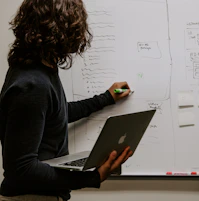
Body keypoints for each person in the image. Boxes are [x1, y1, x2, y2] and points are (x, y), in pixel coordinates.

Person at [0, 0, 133, 200]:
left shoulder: (41, 70)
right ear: (63, 31)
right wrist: (93, 178)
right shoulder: (32, 85)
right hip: (31, 197)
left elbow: (57, 114)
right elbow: (21, 170)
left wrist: (107, 98)